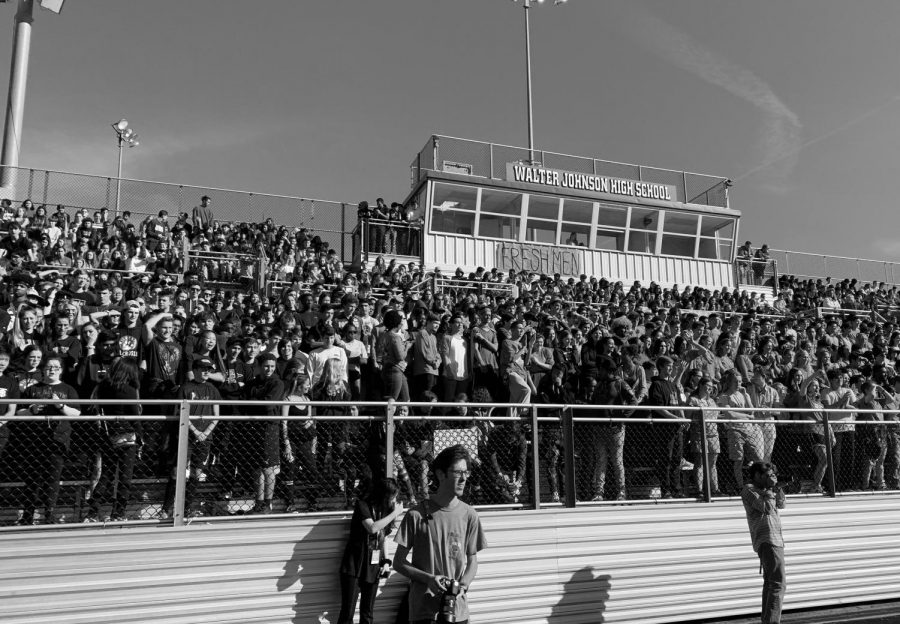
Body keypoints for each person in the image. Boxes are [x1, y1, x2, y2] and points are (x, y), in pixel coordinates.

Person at [393, 444, 487, 624]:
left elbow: (472, 560)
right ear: (440, 474)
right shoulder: (416, 515)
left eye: (466, 473)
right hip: (423, 613)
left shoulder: (470, 515)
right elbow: (398, 562)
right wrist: (428, 579)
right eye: (458, 472)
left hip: (457, 612)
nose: (463, 479)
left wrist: (463, 586)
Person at [336, 477, 405, 624]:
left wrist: (386, 561)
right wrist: (395, 513)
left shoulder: (385, 511)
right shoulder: (362, 506)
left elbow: (383, 537)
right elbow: (372, 528)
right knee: (347, 613)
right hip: (354, 564)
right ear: (384, 495)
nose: (394, 500)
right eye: (392, 496)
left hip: (373, 565)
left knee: (367, 614)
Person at [742, 461, 786, 624]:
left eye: (772, 475)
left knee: (770, 583)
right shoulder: (749, 489)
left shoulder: (768, 490)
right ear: (757, 475)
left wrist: (778, 488)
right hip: (766, 539)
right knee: (778, 583)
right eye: (766, 475)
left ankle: (767, 620)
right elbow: (766, 507)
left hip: (775, 538)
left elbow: (781, 504)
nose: (770, 478)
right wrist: (769, 489)